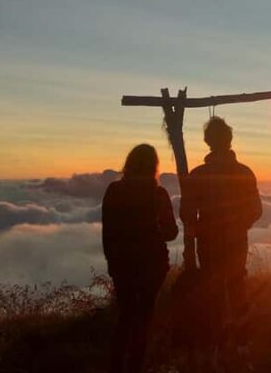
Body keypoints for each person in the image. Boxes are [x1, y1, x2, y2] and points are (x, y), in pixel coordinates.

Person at [180, 116, 262, 355]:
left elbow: (186, 212)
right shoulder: (245, 173)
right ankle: (240, 344)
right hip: (237, 242)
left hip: (208, 243)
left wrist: (198, 228)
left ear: (208, 142)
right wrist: (240, 225)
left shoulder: (197, 175)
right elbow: (256, 210)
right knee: (237, 287)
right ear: (229, 140)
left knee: (212, 291)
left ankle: (213, 344)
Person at [102, 144, 179, 373]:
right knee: (144, 317)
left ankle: (116, 366)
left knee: (125, 316)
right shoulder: (158, 194)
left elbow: (108, 232)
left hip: (122, 265)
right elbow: (171, 233)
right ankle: (136, 366)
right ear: (154, 167)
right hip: (152, 267)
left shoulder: (114, 191)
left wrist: (112, 264)